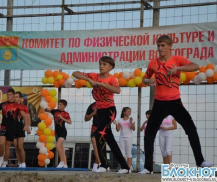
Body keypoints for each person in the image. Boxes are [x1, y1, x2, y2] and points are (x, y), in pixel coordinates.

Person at [139, 35, 213, 174]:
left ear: (170, 47)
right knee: (149, 133)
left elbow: (195, 66)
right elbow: (145, 78)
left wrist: (177, 69)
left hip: (175, 102)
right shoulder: (153, 63)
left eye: (163, 45)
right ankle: (148, 167)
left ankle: (200, 161)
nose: (160, 48)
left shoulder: (177, 60)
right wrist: (148, 81)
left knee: (191, 128)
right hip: (159, 102)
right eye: (158, 45)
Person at [73, 56, 130, 174]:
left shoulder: (112, 79)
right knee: (110, 139)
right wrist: (89, 80)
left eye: (104, 64)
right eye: (100, 64)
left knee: (98, 134)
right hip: (99, 112)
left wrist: (101, 84)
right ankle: (125, 167)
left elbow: (117, 90)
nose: (101, 66)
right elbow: (75, 73)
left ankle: (104, 165)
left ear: (110, 67)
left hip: (109, 111)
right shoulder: (94, 76)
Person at [0, 88, 29, 167]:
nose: (8, 96)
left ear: (13, 96)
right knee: (1, 143)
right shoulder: (2, 105)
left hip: (12, 128)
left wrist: (26, 126)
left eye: (10, 95)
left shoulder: (18, 106)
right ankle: (0, 160)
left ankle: (5, 163)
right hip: (3, 126)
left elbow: (25, 116)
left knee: (7, 146)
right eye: (7, 95)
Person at [45, 99, 72, 168]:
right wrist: (47, 108)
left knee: (57, 145)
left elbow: (70, 122)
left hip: (63, 131)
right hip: (57, 132)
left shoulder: (66, 114)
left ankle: (62, 162)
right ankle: (65, 164)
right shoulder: (55, 111)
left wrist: (62, 118)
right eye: (59, 104)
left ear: (64, 106)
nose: (59, 106)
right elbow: (46, 110)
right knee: (61, 148)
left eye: (61, 104)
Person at [13, 91, 31, 168]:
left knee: (20, 146)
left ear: (20, 99)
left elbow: (28, 118)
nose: (15, 98)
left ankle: (23, 163)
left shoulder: (24, 107)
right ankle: (19, 163)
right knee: (16, 147)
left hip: (20, 127)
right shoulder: (11, 106)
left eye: (17, 97)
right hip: (12, 128)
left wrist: (27, 127)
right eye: (14, 97)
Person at [84, 102, 101, 172]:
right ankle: (100, 163)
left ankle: (96, 164)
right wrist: (93, 113)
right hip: (95, 127)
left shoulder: (107, 104)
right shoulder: (92, 106)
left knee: (100, 147)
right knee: (95, 145)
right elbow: (86, 118)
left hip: (104, 128)